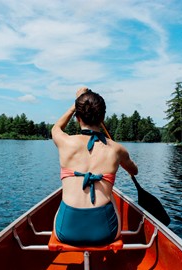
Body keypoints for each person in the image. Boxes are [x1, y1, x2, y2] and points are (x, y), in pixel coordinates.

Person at [51, 87, 138, 246]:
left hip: (65, 232)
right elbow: (135, 171)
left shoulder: (65, 142)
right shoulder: (117, 149)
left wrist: (75, 104)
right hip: (105, 233)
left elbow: (56, 128)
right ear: (103, 117)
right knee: (109, 194)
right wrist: (122, 162)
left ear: (77, 117)